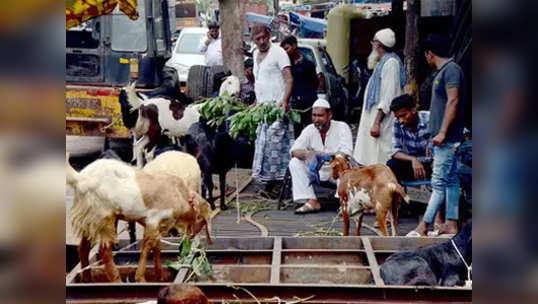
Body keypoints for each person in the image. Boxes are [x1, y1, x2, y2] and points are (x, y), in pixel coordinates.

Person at [408, 34, 467, 236]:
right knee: (450, 181)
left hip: (448, 138)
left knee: (438, 183)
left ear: (429, 54)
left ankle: (424, 225)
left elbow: (453, 101)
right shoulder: (444, 72)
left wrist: (442, 132)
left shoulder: (451, 71)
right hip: (442, 139)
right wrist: (435, 135)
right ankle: (451, 222)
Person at [250, 24, 294, 198]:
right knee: (263, 146)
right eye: (257, 39)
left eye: (263, 37)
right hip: (262, 110)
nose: (261, 42)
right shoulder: (255, 54)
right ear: (253, 40)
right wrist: (255, 101)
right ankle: (268, 183)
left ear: (269, 35)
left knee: (276, 146)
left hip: (277, 108)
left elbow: (289, 79)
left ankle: (279, 184)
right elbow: (259, 80)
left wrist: (284, 100)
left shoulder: (279, 53)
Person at [289, 99, 353, 214]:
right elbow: (294, 150)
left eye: (320, 116)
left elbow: (346, 153)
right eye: (314, 115)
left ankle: (343, 202)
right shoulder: (309, 129)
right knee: (295, 162)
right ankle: (312, 201)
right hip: (317, 172)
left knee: (341, 162)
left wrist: (325, 156)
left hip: (336, 172)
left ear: (329, 115)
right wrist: (308, 154)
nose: (316, 119)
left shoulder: (342, 127)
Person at [353, 28, 406, 166]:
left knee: (379, 161)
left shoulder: (391, 64)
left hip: (382, 122)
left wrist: (376, 123)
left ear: (378, 44)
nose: (372, 45)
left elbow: (388, 97)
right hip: (375, 120)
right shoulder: (383, 62)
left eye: (373, 42)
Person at [387, 94, 432, 182]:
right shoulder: (397, 123)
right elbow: (395, 151)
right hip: (413, 164)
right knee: (391, 165)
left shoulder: (429, 117)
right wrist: (413, 159)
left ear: (413, 110)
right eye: (398, 117)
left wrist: (433, 142)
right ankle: (398, 194)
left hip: (433, 163)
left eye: (403, 115)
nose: (401, 120)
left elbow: (458, 133)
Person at [280, 35, 319, 137]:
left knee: (311, 133)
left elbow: (315, 83)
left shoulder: (308, 64)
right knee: (296, 134)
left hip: (308, 104)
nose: (285, 52)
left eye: (287, 48)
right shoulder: (286, 65)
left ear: (294, 46)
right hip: (294, 106)